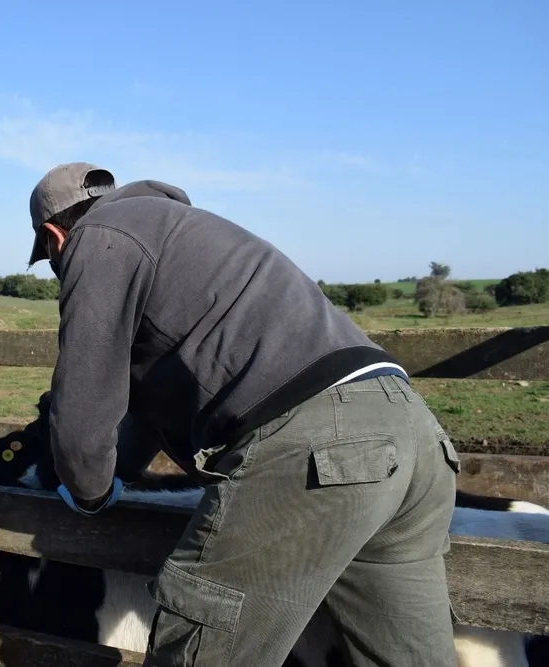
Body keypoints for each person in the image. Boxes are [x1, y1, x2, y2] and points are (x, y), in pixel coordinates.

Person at [25, 162, 462, 666]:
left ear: (54, 236)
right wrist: (116, 467)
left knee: (199, 646)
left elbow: (84, 403)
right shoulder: (187, 235)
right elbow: (143, 409)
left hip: (319, 446)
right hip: (412, 432)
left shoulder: (100, 236)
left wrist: (89, 492)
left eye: (51, 258)